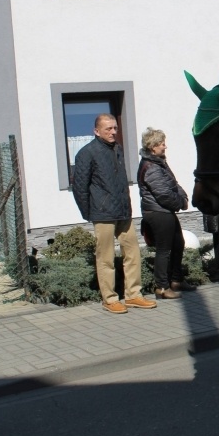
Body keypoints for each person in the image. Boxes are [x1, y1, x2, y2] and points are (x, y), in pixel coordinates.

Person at [72, 114, 156, 314]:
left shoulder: (117, 149)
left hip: (123, 211)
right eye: (108, 129)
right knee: (106, 257)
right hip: (103, 214)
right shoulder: (87, 153)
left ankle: (133, 295)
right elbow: (79, 187)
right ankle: (109, 298)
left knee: (133, 253)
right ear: (96, 131)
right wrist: (89, 212)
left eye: (115, 128)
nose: (113, 132)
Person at [138, 127, 193, 300]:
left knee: (178, 243)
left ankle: (176, 280)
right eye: (162, 143)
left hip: (165, 211)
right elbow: (163, 194)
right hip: (158, 212)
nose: (165, 146)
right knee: (164, 249)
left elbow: (173, 184)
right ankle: (162, 287)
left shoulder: (159, 162)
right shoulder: (151, 167)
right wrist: (181, 202)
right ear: (152, 147)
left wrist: (183, 197)